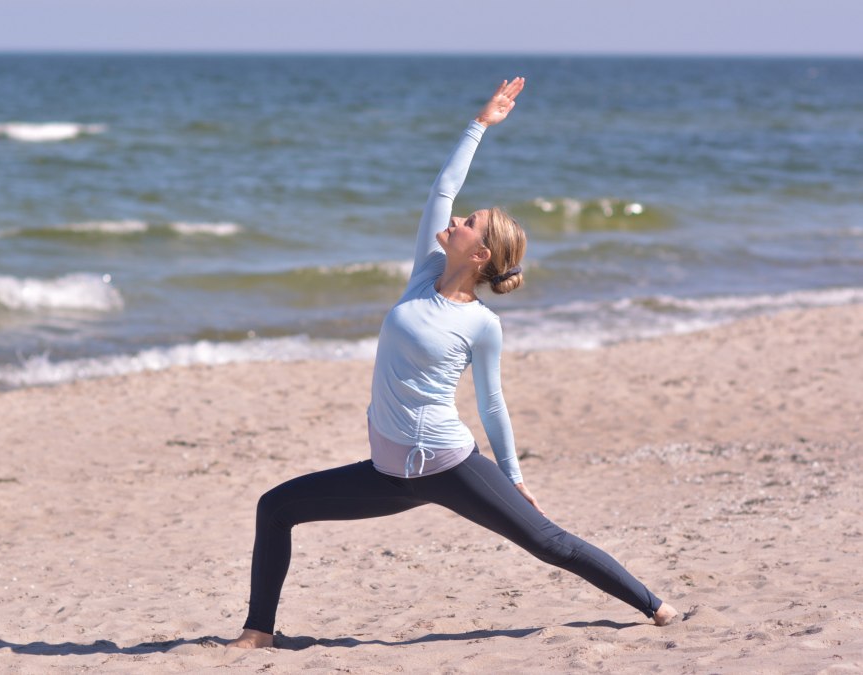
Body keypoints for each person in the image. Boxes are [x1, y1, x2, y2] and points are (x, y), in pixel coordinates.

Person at [228, 78, 677, 649]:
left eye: (470, 223)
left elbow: (492, 403)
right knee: (277, 507)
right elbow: (443, 187)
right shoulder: (424, 273)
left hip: (447, 464)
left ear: (480, 253)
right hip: (390, 474)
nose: (458, 219)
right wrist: (480, 125)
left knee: (548, 543)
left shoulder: (481, 325)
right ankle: (258, 634)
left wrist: (513, 476)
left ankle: (655, 605)